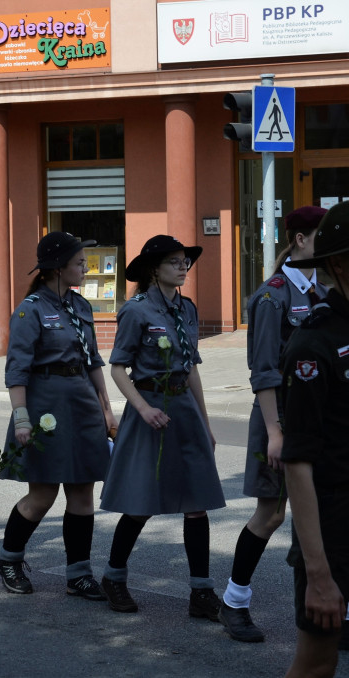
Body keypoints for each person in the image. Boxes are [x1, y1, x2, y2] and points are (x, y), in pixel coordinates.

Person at [99, 235, 226, 619]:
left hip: (184, 410)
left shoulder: (186, 308)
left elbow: (191, 370)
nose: (183, 266)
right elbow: (118, 368)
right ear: (155, 269)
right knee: (141, 502)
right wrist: (141, 408)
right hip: (150, 408)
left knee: (197, 503)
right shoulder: (136, 310)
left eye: (185, 260)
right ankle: (114, 577)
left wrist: (205, 422)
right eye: (174, 261)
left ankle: (201, 593)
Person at [220, 206, 328, 642]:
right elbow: (263, 372)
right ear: (300, 239)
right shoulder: (273, 295)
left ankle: (326, 610)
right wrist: (276, 432)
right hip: (280, 418)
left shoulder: (326, 290)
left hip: (319, 419)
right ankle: (234, 601)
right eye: (324, 237)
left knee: (326, 514)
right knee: (271, 514)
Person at [0, 231, 116, 599]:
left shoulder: (81, 307)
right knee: (42, 495)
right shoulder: (31, 309)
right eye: (79, 262)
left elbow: (93, 361)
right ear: (57, 268)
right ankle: (8, 558)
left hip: (82, 404)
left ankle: (78, 573)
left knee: (82, 493)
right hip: (46, 405)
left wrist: (108, 410)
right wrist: (21, 417)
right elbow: (17, 370)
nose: (85, 268)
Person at [280, 201, 349, 678]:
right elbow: (297, 463)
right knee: (318, 665)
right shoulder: (314, 344)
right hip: (337, 533)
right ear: (340, 264)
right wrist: (319, 574)